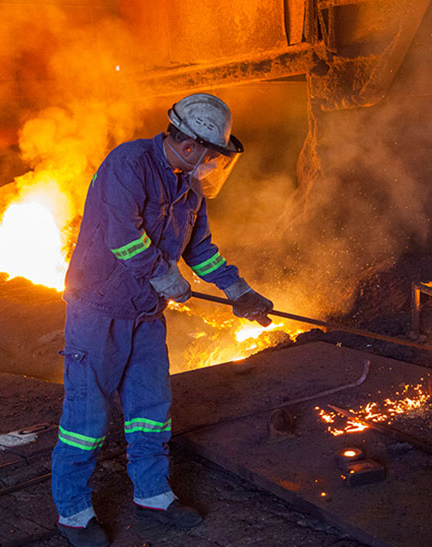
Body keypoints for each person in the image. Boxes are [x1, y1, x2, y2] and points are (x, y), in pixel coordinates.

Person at [51, 93, 274, 547]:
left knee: (151, 411)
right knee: (85, 418)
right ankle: (74, 513)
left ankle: (153, 495)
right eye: (212, 156)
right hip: (98, 308)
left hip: (147, 314)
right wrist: (163, 276)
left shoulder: (189, 187)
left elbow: (200, 248)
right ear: (189, 146)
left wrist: (238, 289)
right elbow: (121, 235)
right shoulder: (128, 164)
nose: (212, 165)